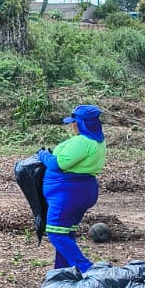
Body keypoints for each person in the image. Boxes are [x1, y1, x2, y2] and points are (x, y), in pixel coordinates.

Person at [39, 104, 107, 272]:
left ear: (82, 123)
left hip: (68, 194)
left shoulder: (83, 142)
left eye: (74, 122)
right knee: (66, 233)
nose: (72, 125)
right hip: (82, 192)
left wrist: (43, 155)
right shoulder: (98, 141)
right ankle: (63, 272)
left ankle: (87, 270)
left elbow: (57, 164)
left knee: (56, 234)